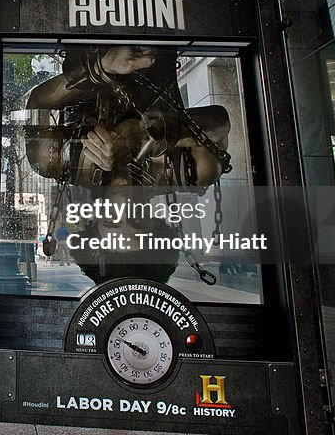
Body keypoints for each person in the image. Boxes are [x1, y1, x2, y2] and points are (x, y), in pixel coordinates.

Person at [24, 45, 232, 285]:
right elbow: (219, 123)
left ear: (94, 221)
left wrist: (101, 68)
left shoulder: (58, 164)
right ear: (156, 223)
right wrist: (147, 135)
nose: (124, 206)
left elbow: (38, 102)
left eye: (111, 219)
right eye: (138, 222)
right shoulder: (189, 172)